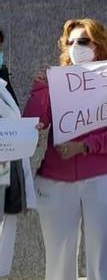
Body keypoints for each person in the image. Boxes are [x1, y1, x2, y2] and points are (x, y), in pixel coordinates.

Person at [24, 18, 107, 280]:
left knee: (106, 258)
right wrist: (41, 90)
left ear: (99, 44)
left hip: (104, 179)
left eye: (82, 41)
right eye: (70, 42)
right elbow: (34, 123)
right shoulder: (54, 81)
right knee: (59, 260)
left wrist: (84, 146)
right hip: (56, 182)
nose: (75, 47)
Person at [0, 67, 34, 277]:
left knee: (5, 234)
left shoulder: (3, 80)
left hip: (7, 170)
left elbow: (13, 123)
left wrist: (27, 132)